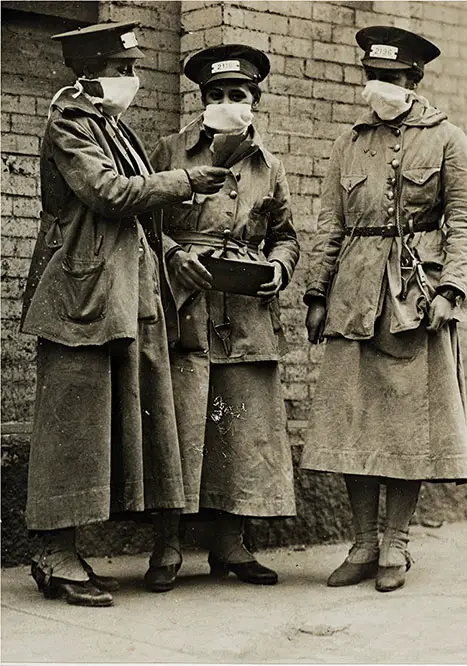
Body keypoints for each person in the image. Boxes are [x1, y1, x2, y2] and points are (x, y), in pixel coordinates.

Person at [20, 21, 229, 606]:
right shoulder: (70, 122)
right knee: (71, 426)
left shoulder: (111, 126)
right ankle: (54, 554)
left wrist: (171, 240)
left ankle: (68, 552)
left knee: (99, 428)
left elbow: (136, 218)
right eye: (122, 70)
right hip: (79, 298)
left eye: (132, 70)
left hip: (119, 296)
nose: (131, 82)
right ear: (89, 71)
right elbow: (108, 194)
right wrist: (182, 181)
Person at [302, 26, 467, 592]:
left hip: (416, 296)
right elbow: (331, 222)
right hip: (354, 296)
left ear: (415, 81)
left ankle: (397, 545)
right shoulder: (347, 144)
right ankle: (362, 542)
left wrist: (451, 289)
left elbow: (464, 221)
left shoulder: (449, 138)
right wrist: (315, 292)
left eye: (394, 78)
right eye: (373, 76)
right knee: (354, 418)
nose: (381, 87)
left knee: (408, 425)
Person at [150, 44, 299, 587]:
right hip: (184, 304)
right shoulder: (170, 150)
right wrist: (172, 254)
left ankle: (231, 546)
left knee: (243, 429)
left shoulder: (270, 166)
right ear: (202, 100)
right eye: (216, 95)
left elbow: (285, 236)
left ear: (254, 102)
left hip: (246, 310)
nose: (227, 103)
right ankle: (166, 546)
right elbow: (143, 221)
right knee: (179, 423)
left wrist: (279, 267)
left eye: (238, 95)